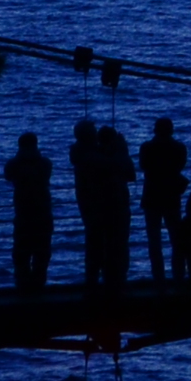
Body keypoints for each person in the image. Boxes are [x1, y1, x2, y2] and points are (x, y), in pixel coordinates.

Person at [74, 117, 130, 295]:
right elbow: (115, 165)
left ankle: (97, 283)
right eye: (94, 132)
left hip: (92, 207)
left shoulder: (83, 153)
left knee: (96, 247)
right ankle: (107, 285)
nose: (97, 135)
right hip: (98, 209)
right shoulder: (89, 156)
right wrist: (121, 148)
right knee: (103, 247)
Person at [138, 117, 186, 282]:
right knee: (177, 240)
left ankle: (158, 278)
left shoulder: (146, 148)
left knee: (154, 241)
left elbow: (143, 166)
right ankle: (179, 276)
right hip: (171, 196)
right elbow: (180, 165)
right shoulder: (179, 148)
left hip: (151, 196)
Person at [5, 131, 55, 290]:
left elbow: (8, 174)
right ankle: (39, 285)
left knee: (21, 253)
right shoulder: (45, 163)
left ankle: (23, 285)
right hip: (43, 213)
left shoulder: (14, 164)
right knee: (42, 253)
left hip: (23, 214)